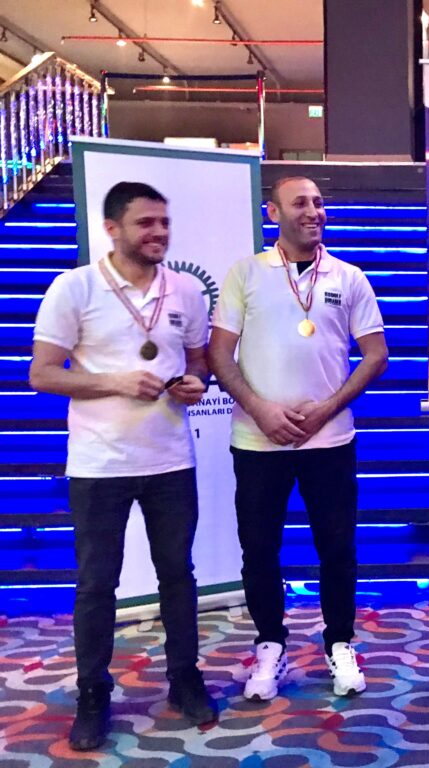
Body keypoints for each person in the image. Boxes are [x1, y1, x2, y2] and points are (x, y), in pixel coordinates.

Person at [29, 182, 216, 750]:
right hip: (99, 464)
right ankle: (93, 693)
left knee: (178, 575)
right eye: (145, 223)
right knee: (96, 584)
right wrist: (115, 381)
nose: (159, 232)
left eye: (164, 222)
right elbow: (42, 374)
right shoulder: (75, 287)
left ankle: (184, 678)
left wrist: (195, 382)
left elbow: (199, 361)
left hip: (170, 458)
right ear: (112, 229)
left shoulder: (186, 290)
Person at [208, 176, 388, 703]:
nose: (313, 211)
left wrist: (328, 407)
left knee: (337, 547)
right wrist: (260, 409)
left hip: (329, 440)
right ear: (274, 213)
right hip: (257, 439)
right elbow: (218, 353)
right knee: (259, 547)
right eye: (300, 203)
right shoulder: (246, 273)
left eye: (319, 202)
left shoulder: (349, 277)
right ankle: (270, 643)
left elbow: (376, 355)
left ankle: (340, 643)